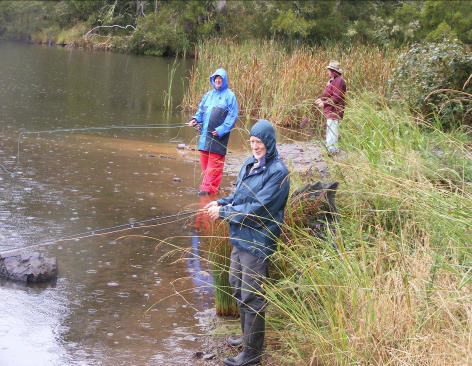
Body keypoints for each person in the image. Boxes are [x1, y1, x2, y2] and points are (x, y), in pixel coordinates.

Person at [205, 120, 290, 366]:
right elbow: (240, 196)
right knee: (236, 285)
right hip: (240, 238)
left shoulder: (278, 172)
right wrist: (222, 202)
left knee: (252, 295)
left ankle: (252, 354)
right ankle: (246, 337)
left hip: (258, 241)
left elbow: (259, 209)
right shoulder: (249, 164)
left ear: (269, 143)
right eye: (252, 141)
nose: (255, 146)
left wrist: (224, 214)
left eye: (259, 142)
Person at [187, 68, 238, 195]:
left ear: (224, 80)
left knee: (212, 172)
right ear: (213, 80)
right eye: (216, 78)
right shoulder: (208, 95)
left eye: (220, 78)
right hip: (204, 140)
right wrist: (195, 120)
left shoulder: (230, 96)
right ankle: (212, 194)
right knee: (206, 171)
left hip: (218, 140)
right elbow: (200, 112)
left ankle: (206, 197)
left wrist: (221, 129)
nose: (218, 80)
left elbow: (232, 116)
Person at [315, 60, 347, 155]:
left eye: (328, 70)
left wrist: (324, 103)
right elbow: (328, 94)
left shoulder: (339, 81)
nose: (327, 72)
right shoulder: (332, 80)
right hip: (331, 110)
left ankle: (331, 150)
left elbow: (336, 97)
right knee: (331, 129)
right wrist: (320, 100)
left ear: (333, 71)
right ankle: (331, 149)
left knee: (332, 129)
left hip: (335, 110)